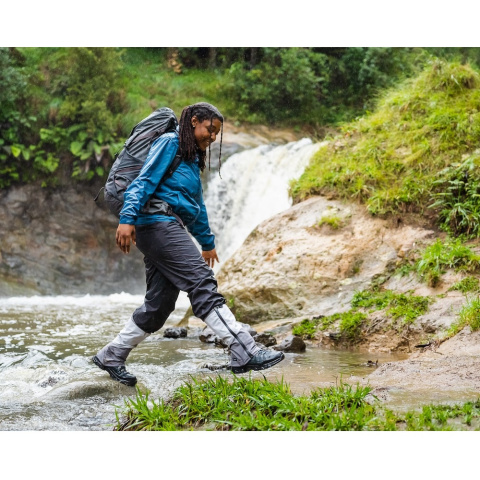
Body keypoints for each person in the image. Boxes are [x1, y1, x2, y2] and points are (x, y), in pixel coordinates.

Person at [92, 102, 284, 386]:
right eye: (210, 129)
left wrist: (207, 242)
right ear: (194, 121)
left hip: (165, 225)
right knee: (201, 281)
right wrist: (127, 218)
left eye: (217, 133)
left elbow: (195, 206)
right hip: (155, 223)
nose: (213, 137)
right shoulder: (170, 143)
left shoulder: (192, 158)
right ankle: (244, 349)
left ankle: (112, 355)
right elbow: (142, 182)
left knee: (159, 305)